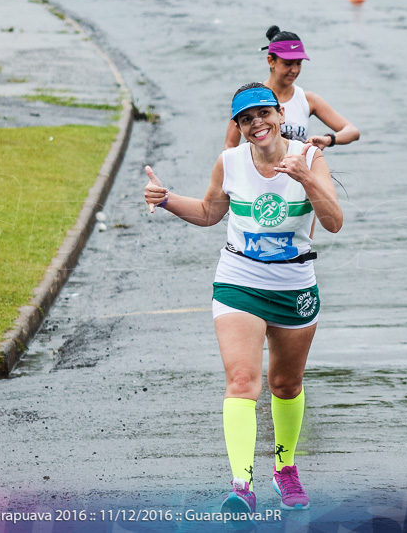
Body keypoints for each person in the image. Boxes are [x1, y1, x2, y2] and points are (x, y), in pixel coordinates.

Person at [144, 83, 343, 515]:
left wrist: (304, 176)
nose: (257, 125)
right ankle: (242, 483)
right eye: (246, 119)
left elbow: (333, 222)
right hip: (239, 282)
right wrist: (167, 199)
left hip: (294, 287)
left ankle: (285, 468)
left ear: (279, 115)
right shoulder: (230, 162)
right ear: (238, 126)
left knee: (285, 385)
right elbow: (210, 212)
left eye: (263, 115)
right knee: (241, 383)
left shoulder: (310, 156)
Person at [224, 26, 359, 151]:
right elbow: (230, 146)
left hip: (297, 173)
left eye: (299, 63)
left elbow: (352, 131)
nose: (294, 70)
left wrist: (328, 139)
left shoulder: (307, 100)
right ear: (271, 61)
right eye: (288, 64)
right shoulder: (249, 98)